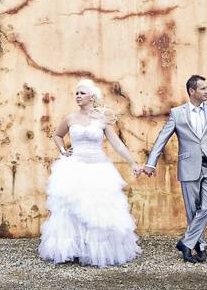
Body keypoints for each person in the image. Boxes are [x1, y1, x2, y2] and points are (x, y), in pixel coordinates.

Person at [39, 79, 143, 267]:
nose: (78, 96)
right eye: (76, 93)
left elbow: (117, 144)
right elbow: (57, 135)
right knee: (72, 208)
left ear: (91, 96)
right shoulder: (70, 118)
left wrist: (133, 162)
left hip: (98, 167)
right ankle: (74, 249)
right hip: (75, 166)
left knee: (97, 209)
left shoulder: (101, 119)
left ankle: (95, 249)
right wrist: (63, 151)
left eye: (82, 93)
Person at [143, 75, 207, 263]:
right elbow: (162, 138)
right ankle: (198, 245)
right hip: (189, 165)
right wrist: (151, 162)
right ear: (192, 91)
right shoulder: (177, 113)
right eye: (203, 88)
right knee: (192, 210)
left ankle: (186, 242)